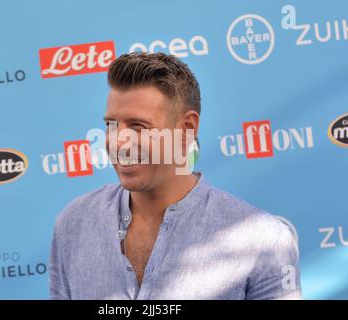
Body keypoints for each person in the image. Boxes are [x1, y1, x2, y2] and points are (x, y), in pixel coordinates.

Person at [49, 52, 301, 300]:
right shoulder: (74, 223)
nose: (118, 143)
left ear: (187, 129)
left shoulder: (264, 239)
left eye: (138, 126)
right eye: (110, 125)